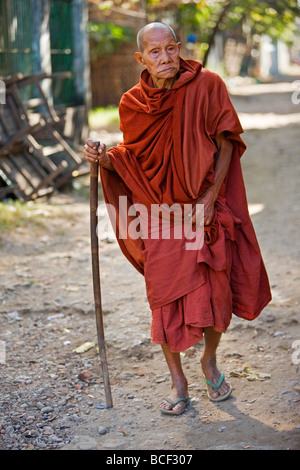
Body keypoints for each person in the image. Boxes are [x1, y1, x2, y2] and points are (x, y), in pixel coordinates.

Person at [83, 22, 271, 416]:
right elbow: (133, 156)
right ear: (141, 59)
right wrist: (106, 158)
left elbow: (226, 144)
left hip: (203, 206)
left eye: (171, 49)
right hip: (159, 211)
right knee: (164, 296)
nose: (166, 58)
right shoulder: (131, 102)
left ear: (179, 48)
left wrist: (209, 197)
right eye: (155, 52)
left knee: (216, 290)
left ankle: (209, 361)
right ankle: (177, 379)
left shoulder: (208, 85)